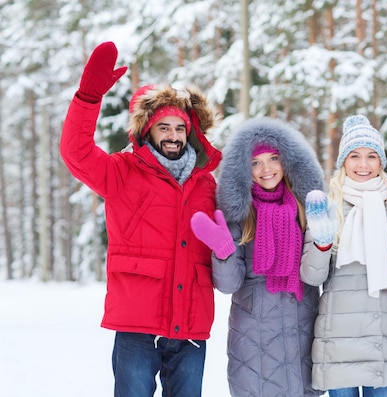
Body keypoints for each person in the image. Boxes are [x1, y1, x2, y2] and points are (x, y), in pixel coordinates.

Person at [60, 42, 222, 397]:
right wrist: (88, 99)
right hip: (137, 323)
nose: (173, 136)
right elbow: (76, 153)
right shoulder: (122, 172)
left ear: (190, 132)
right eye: (163, 127)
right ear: (147, 130)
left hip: (191, 326)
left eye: (179, 128)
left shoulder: (206, 184)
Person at [190, 117, 325, 397]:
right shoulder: (240, 215)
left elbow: (317, 272)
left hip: (303, 330)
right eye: (255, 162)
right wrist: (223, 252)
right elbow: (229, 285)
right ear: (244, 169)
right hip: (254, 340)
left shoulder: (305, 209)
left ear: (287, 160)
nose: (266, 168)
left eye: (273, 158)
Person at [299, 115, 387, 397]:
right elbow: (311, 276)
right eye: (355, 156)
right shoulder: (329, 206)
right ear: (343, 162)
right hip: (339, 339)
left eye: (371, 156)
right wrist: (322, 244)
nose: (363, 165)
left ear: (381, 162)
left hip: (384, 338)